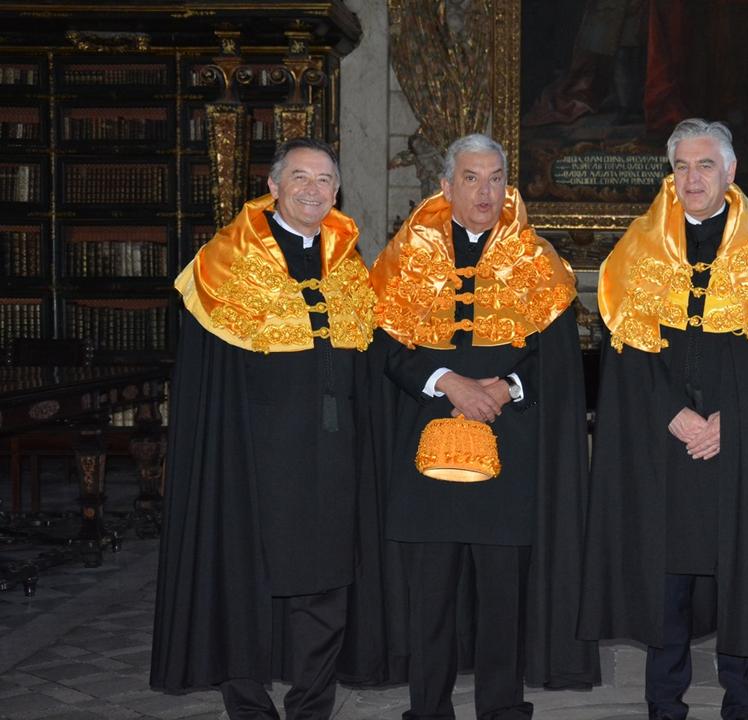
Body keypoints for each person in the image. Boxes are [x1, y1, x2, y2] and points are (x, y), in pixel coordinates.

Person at [579, 118, 748, 720]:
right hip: (665, 446)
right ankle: (665, 703)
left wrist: (729, 425)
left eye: (706, 165)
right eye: (683, 166)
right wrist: (673, 415)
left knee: (741, 576)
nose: (693, 178)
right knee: (666, 583)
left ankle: (741, 702)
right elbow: (627, 348)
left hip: (741, 447)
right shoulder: (639, 247)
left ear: (731, 171)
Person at [367, 133, 599, 719]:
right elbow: (388, 349)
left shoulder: (536, 260)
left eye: (495, 178)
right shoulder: (408, 255)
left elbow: (559, 363)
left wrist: (505, 388)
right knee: (432, 605)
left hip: (509, 459)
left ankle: (500, 710)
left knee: (503, 604)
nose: (484, 191)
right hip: (427, 457)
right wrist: (448, 382)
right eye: (471, 178)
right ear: (446, 187)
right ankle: (429, 710)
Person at [151, 137, 377, 720]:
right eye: (299, 177)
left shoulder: (349, 264)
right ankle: (248, 708)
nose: (312, 189)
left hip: (331, 455)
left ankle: (311, 708)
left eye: (325, 180)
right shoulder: (224, 263)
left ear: (337, 191)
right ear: (273, 187)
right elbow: (209, 383)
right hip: (249, 457)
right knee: (242, 583)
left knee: (326, 587)